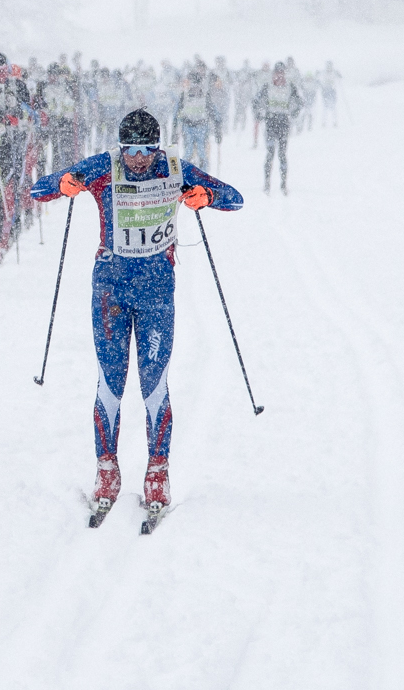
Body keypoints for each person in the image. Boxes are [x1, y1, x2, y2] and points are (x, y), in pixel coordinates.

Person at [26, 108, 242, 528]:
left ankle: (157, 474)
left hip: (157, 293)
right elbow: (38, 190)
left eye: (146, 149)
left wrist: (207, 197)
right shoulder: (104, 168)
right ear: (120, 147)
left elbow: (234, 197)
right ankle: (107, 472)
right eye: (131, 150)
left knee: (153, 383)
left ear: (157, 147)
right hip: (110, 290)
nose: (139, 159)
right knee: (111, 381)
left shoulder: (175, 170)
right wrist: (63, 185)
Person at [256, 61, 303, 194]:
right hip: (271, 122)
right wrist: (259, 113)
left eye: (282, 73)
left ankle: (283, 184)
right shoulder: (267, 87)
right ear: (273, 74)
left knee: (282, 155)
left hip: (283, 122)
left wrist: (294, 112)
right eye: (277, 73)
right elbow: (256, 100)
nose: (279, 76)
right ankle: (266, 184)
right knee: (270, 153)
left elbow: (299, 102)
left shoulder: (290, 87)